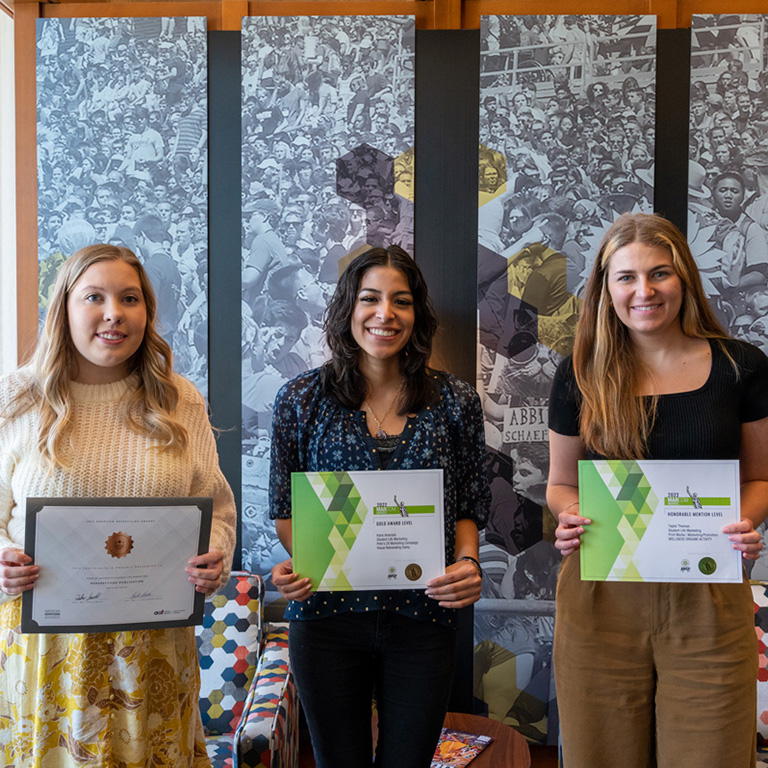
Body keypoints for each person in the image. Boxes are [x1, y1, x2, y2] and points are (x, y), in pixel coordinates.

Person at [0, 244, 236, 767]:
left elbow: (217, 507)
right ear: (63, 308)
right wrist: (2, 563)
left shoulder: (179, 399)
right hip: (48, 654)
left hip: (153, 648)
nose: (114, 313)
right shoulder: (16, 398)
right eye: (94, 297)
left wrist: (215, 554)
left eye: (129, 298)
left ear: (146, 312)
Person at [547, 213, 768, 768]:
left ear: (684, 279)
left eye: (659, 274)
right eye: (626, 278)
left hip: (708, 597)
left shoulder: (741, 367)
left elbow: (761, 478)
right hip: (601, 590)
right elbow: (559, 485)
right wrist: (569, 514)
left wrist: (746, 522)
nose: (643, 291)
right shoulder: (579, 374)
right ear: (606, 289)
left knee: (711, 755)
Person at [268, 245, 490, 768]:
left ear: (418, 315)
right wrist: (306, 562)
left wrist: (469, 562)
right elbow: (285, 509)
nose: (385, 314)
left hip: (423, 616)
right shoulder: (299, 400)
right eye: (370, 298)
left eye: (402, 301)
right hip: (326, 617)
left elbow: (468, 505)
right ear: (347, 309)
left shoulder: (456, 401)